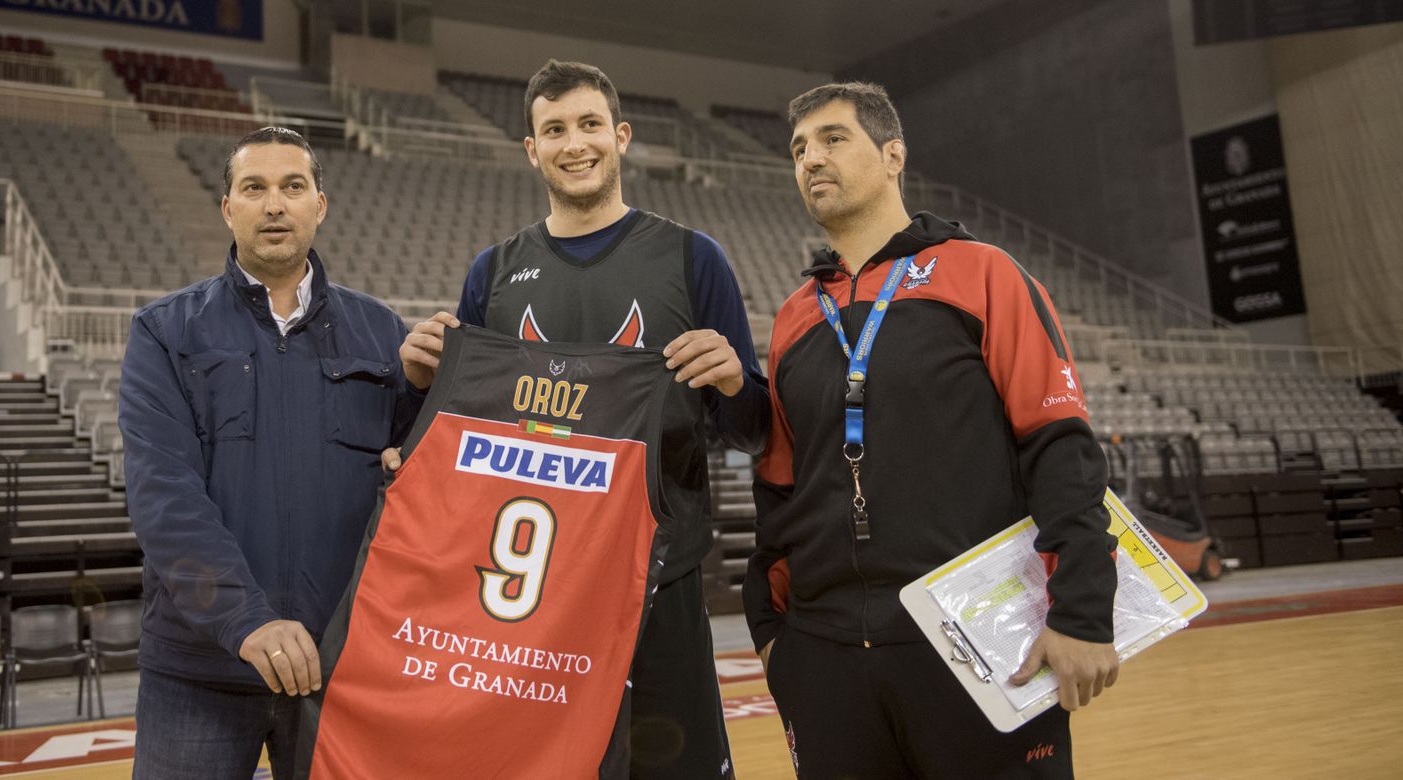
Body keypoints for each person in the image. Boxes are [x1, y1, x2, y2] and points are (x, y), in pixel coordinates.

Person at [399, 60, 769, 779]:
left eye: (590, 124)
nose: (576, 143)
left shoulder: (695, 259)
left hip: (662, 578)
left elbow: (753, 433)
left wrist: (731, 381)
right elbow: (464, 441)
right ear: (531, 150)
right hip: (535, 590)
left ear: (621, 135)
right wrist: (416, 387)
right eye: (554, 130)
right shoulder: (493, 273)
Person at [745, 82, 1118, 779]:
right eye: (798, 148)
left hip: (976, 642)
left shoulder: (985, 274)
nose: (811, 159)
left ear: (893, 155)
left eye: (832, 139)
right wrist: (773, 637)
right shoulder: (795, 318)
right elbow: (780, 487)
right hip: (826, 660)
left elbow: (1059, 447)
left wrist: (1084, 611)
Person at [119, 126, 422, 780]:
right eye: (254, 188)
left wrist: (435, 387)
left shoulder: (383, 335)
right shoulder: (165, 332)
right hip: (200, 670)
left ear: (321, 204)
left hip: (341, 667)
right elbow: (163, 496)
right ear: (229, 208)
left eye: (292, 186)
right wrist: (246, 621)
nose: (275, 204)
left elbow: (425, 480)